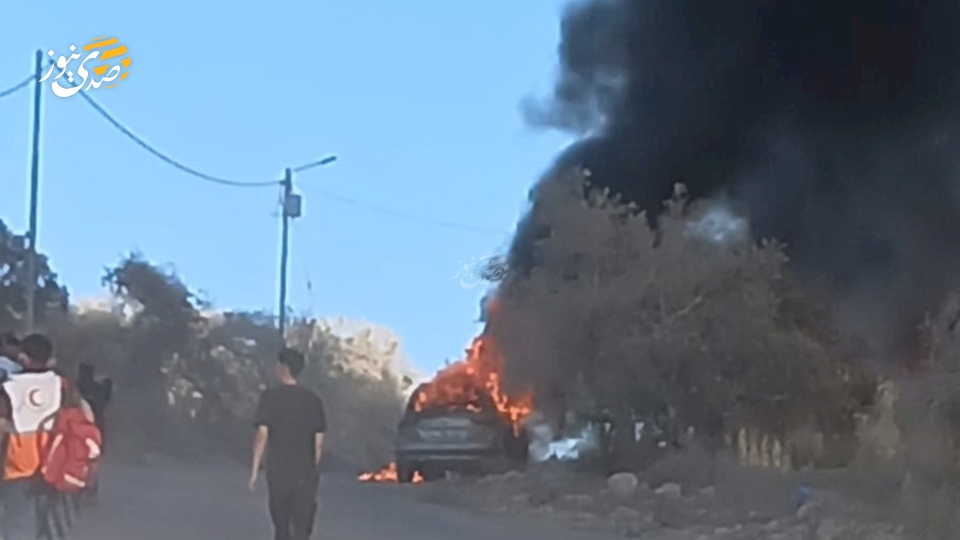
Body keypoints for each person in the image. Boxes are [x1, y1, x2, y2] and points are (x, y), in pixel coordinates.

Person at [0, 334, 93, 540]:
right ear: (51, 360)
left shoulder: (9, 388)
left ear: (22, 357)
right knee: (48, 525)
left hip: (17, 468)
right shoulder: (64, 386)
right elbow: (86, 417)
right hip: (55, 466)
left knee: (17, 525)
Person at [249, 347, 326, 540]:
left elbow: (262, 435)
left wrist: (254, 470)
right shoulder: (313, 401)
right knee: (302, 526)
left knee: (281, 525)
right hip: (305, 472)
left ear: (283, 368)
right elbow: (318, 442)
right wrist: (313, 468)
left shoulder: (270, 398)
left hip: (279, 471)